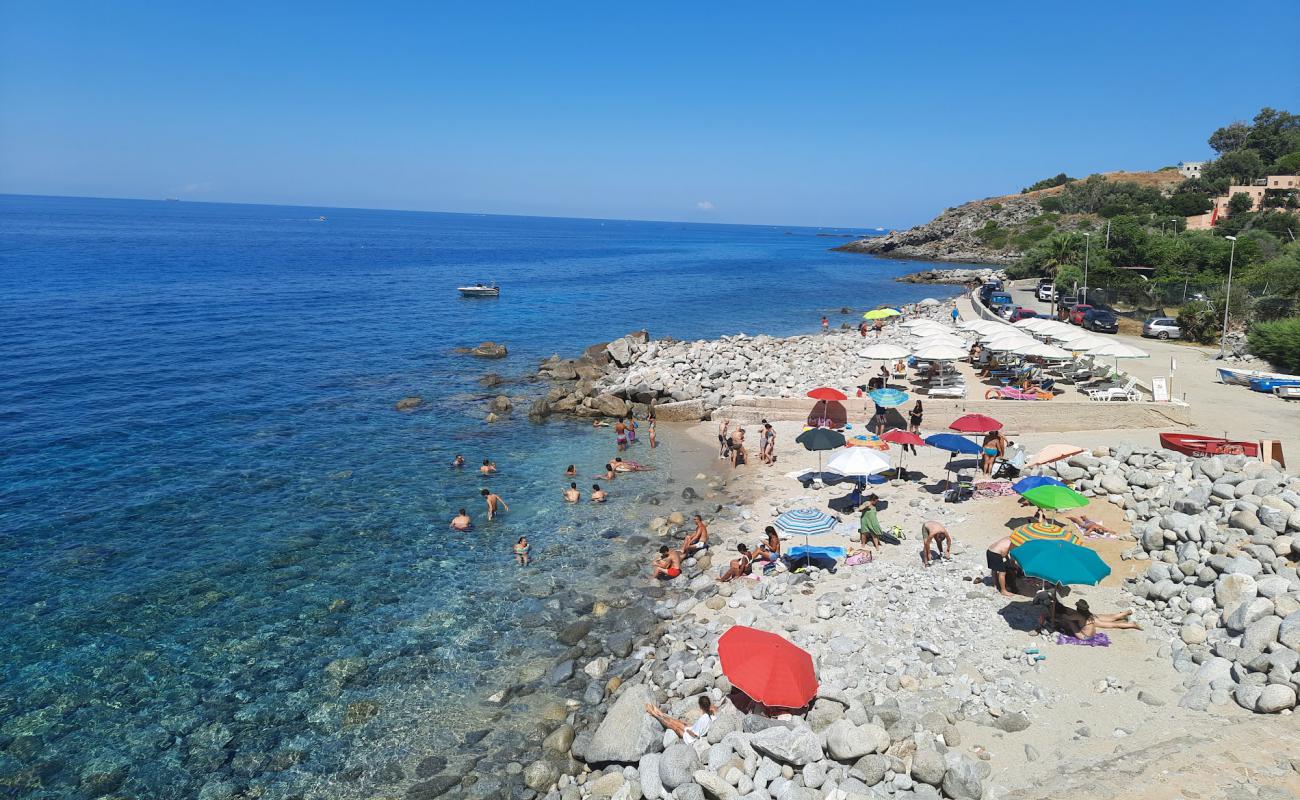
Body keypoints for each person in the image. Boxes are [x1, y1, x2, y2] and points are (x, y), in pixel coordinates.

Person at [645, 696, 717, 743]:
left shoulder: (703, 719)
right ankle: (659, 713)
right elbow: (713, 711)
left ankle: (655, 714)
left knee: (673, 725)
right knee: (677, 722)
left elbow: (695, 735)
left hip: (689, 737)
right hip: (692, 728)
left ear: (700, 706)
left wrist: (688, 731)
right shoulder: (711, 716)